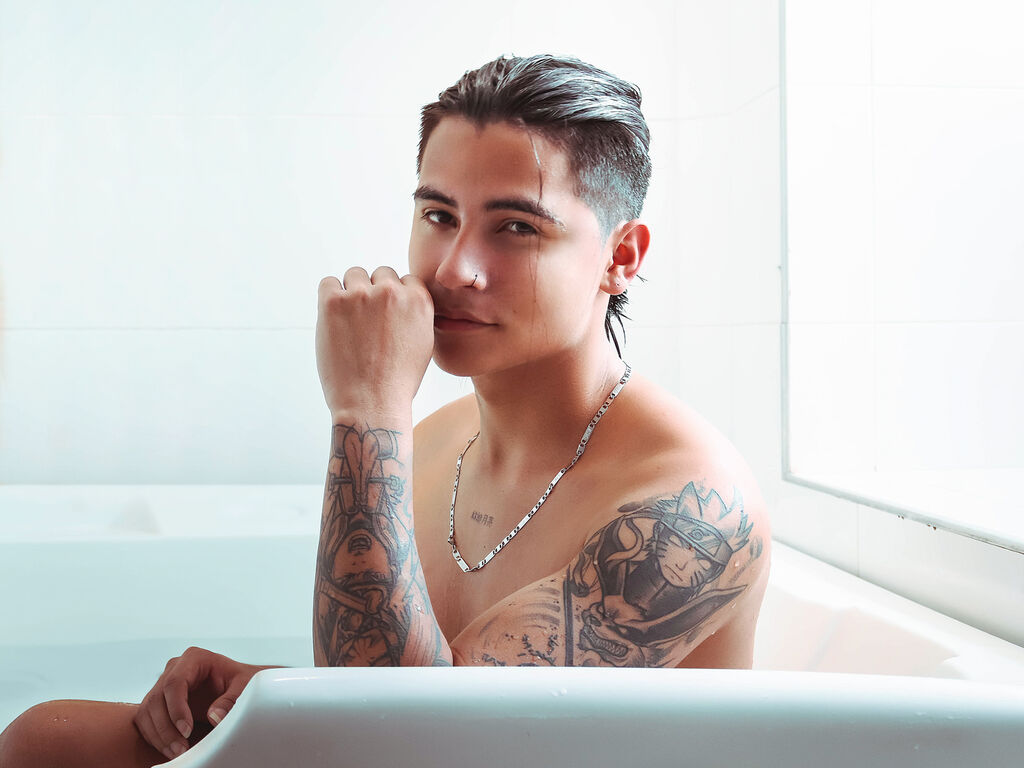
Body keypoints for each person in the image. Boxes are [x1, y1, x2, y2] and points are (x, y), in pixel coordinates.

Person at [0, 53, 770, 767]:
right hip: (431, 742)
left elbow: (407, 748)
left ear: (620, 257)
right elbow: (440, 683)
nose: (455, 269)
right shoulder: (438, 442)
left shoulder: (691, 511)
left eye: (516, 228)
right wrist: (265, 691)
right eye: (438, 216)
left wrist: (366, 407)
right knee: (48, 737)